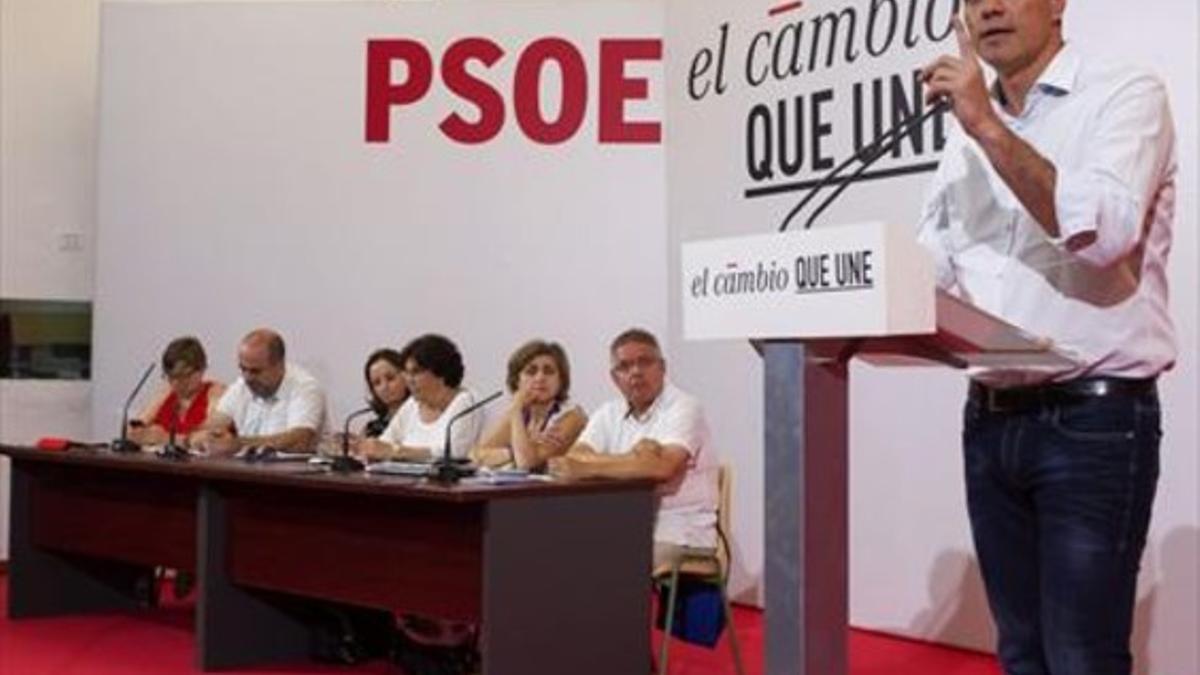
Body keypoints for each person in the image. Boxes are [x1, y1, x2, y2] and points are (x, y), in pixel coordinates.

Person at [918, 2, 1175, 673]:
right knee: (1022, 654)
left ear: (1057, 3)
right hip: (990, 422)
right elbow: (933, 265)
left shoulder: (1123, 93)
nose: (989, 8)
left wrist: (983, 124)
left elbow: (1105, 233)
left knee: (1081, 656)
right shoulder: (964, 136)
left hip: (1092, 423)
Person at [548, 328, 718, 569]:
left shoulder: (684, 407)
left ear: (662, 367)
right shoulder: (609, 412)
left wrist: (588, 467)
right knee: (558, 548)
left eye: (645, 362)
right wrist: (633, 459)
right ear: (614, 377)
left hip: (678, 530)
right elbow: (573, 458)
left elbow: (662, 468)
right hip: (624, 524)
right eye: (625, 366)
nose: (636, 372)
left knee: (601, 560)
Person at [195, 328, 327, 456]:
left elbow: (300, 441)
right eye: (243, 369)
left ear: (279, 365)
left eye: (255, 371)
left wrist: (238, 444)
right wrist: (208, 437)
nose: (247, 377)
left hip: (293, 475)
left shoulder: (305, 387)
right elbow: (213, 424)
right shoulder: (242, 385)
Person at [354, 334, 481, 462]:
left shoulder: (465, 401)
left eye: (415, 372)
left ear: (440, 372)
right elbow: (384, 444)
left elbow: (455, 453)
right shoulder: (412, 405)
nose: (409, 380)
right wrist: (362, 448)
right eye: (406, 373)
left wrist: (396, 451)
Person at [471, 339, 587, 471]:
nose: (540, 378)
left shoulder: (572, 417)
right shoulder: (519, 414)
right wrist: (518, 450)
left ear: (561, 380)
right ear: (517, 381)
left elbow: (526, 463)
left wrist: (515, 410)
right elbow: (475, 455)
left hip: (558, 491)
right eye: (531, 372)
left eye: (548, 371)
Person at [127, 336, 225, 447]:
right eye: (171, 376)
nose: (176, 383)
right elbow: (133, 431)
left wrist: (166, 438)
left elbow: (211, 438)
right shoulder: (166, 392)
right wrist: (142, 433)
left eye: (184, 376)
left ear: (202, 369)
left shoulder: (215, 393)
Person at [362, 348, 409, 438]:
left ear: (406, 376)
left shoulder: (424, 420)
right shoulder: (371, 430)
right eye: (377, 383)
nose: (384, 387)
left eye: (390, 378)